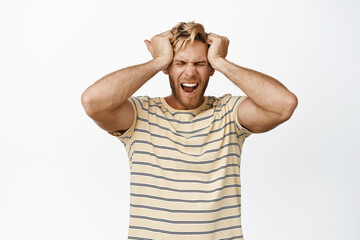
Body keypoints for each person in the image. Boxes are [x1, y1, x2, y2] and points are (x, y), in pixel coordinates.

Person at [81, 21, 298, 240]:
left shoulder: (228, 112)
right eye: (180, 63)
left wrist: (221, 61)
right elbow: (92, 102)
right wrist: (157, 61)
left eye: (200, 63)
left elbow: (284, 105)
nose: (190, 72)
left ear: (211, 69)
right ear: (167, 67)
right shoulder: (141, 114)